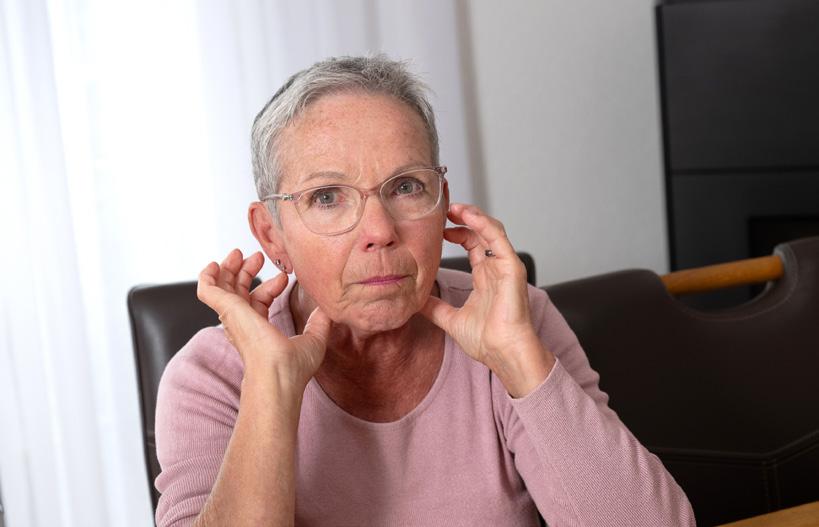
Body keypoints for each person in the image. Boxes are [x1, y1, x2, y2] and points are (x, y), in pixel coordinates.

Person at [154, 55, 695, 526]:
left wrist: (518, 358)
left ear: (442, 204)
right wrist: (271, 388)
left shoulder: (515, 320)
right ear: (272, 234)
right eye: (328, 197)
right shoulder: (211, 376)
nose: (380, 231)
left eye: (406, 186)